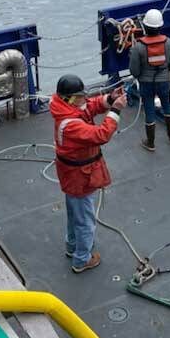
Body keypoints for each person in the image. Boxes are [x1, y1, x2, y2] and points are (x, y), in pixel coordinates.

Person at [50, 74, 126, 274]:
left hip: (71, 175)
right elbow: (102, 134)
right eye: (80, 97)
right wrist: (115, 110)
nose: (84, 99)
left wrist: (109, 99)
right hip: (80, 177)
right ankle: (82, 259)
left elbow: (89, 106)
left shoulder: (65, 108)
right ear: (70, 99)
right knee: (85, 220)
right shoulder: (71, 124)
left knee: (74, 213)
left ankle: (72, 246)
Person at [129, 8, 170, 152]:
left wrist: (141, 76)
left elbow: (134, 71)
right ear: (160, 26)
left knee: (149, 110)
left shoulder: (138, 47)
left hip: (146, 84)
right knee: (167, 106)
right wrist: (165, 70)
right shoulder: (168, 43)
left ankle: (150, 142)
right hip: (163, 81)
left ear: (145, 26)